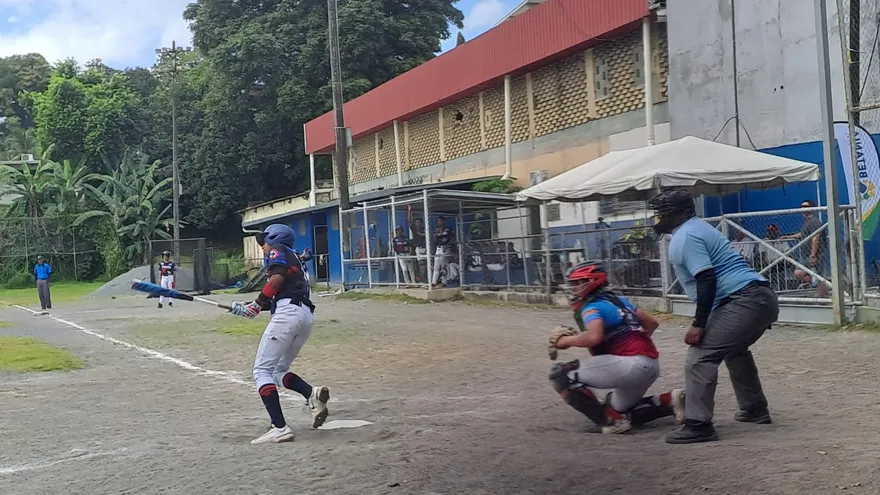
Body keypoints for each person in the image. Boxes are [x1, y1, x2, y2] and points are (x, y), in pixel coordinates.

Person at [650, 189, 779, 444]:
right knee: (735, 349)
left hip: (744, 299)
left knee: (700, 356)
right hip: (760, 297)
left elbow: (706, 279)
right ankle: (754, 409)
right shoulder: (698, 228)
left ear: (679, 212)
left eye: (662, 212)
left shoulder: (685, 236)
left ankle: (698, 424)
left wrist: (698, 324)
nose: (658, 217)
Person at [548, 260, 686, 435]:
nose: (574, 287)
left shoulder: (592, 306)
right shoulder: (618, 300)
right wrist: (634, 342)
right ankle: (668, 400)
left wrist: (564, 342)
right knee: (616, 408)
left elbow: (594, 337)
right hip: (650, 364)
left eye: (579, 282)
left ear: (594, 280)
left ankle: (611, 423)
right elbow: (651, 324)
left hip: (631, 364)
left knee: (560, 375)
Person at [230, 224, 331, 445]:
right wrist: (249, 306)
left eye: (264, 242)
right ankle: (311, 394)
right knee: (277, 370)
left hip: (288, 315)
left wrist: (256, 304)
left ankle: (279, 428)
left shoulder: (278, 250)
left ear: (275, 239)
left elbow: (275, 281)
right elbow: (281, 294)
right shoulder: (295, 258)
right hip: (303, 317)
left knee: (261, 370)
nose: (264, 247)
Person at [781, 200, 829, 296]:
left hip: (815, 254)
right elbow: (803, 234)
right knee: (799, 273)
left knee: (817, 274)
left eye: (806, 206)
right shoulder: (807, 222)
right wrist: (789, 237)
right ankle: (824, 287)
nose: (803, 208)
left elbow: (815, 238)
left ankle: (821, 294)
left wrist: (813, 254)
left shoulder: (814, 222)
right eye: (802, 206)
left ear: (812, 208)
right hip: (805, 254)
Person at [431, 216, 457, 288]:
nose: (440, 222)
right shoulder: (437, 230)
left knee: (443, 266)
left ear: (444, 221)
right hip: (438, 248)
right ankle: (434, 282)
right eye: (438, 221)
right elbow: (435, 240)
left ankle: (444, 282)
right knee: (436, 266)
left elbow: (452, 238)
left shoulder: (448, 229)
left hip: (445, 247)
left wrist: (448, 246)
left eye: (441, 221)